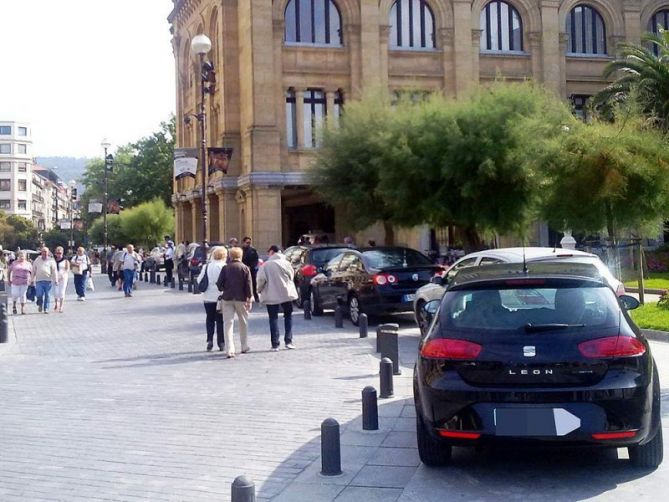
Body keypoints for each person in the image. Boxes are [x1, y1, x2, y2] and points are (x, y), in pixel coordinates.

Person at [256, 245, 298, 352]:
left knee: (273, 318)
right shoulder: (287, 263)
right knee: (288, 316)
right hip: (286, 293)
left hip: (271, 294)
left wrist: (259, 290)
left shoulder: (266, 265)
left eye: (269, 251)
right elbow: (291, 277)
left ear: (272, 252)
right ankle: (289, 341)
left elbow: (261, 279)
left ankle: (275, 344)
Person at [216, 247, 253, 358]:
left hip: (227, 298)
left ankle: (229, 349)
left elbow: (219, 284)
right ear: (240, 256)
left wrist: (225, 289)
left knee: (228, 324)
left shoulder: (225, 268)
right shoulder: (245, 268)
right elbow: (249, 285)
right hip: (241, 299)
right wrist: (249, 298)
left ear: (230, 256)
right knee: (243, 322)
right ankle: (244, 346)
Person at [197, 246, 227, 352]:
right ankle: (221, 342)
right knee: (220, 320)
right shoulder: (224, 266)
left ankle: (209, 340)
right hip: (220, 297)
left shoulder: (206, 266)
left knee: (209, 319)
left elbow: (199, 279)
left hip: (208, 297)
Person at [32, 247, 58, 314]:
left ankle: (46, 308)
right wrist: (32, 279)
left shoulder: (51, 260)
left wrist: (56, 280)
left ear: (48, 252)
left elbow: (54, 271)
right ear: (41, 252)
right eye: (43, 251)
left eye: (46, 251)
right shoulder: (37, 260)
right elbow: (33, 270)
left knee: (47, 295)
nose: (44, 253)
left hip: (48, 280)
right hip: (39, 281)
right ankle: (40, 304)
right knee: (39, 294)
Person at [241, 236, 260, 302]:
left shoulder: (253, 250)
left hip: (251, 270)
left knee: (253, 283)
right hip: (242, 269)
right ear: (243, 243)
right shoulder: (241, 250)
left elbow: (256, 260)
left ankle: (255, 296)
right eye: (247, 242)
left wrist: (251, 266)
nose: (249, 244)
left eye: (250, 242)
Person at [52, 246, 70, 313]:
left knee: (62, 292)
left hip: (63, 277)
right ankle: (56, 303)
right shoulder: (53, 260)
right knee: (56, 292)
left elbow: (67, 269)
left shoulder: (65, 260)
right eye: (57, 253)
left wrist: (63, 275)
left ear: (62, 253)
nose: (58, 254)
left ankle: (61, 306)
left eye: (60, 253)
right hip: (55, 277)